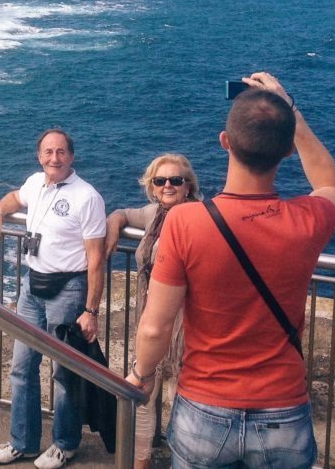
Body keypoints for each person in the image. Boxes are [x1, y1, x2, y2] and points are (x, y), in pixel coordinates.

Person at [128, 72, 335, 468]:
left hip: (204, 407)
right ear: (285, 152)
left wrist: (141, 375)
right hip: (283, 408)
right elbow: (331, 184)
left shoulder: (186, 222)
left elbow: (155, 327)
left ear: (225, 142)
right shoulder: (308, 219)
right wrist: (291, 112)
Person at [0, 129, 108, 468]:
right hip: (32, 287)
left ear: (72, 156)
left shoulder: (87, 197)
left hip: (67, 290)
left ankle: (64, 444)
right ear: (39, 156)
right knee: (22, 368)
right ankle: (22, 442)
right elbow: (12, 198)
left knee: (63, 372)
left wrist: (91, 309)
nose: (55, 158)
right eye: (49, 152)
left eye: (61, 152)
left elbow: (96, 259)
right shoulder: (36, 183)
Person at [104, 154, 201, 469]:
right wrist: (114, 226)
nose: (168, 186)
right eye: (161, 181)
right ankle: (141, 462)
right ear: (152, 186)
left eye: (176, 180)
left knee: (183, 397)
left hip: (186, 323)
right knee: (144, 392)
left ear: (189, 186)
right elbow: (121, 212)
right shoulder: (153, 214)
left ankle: (185, 461)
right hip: (150, 318)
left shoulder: (200, 217)